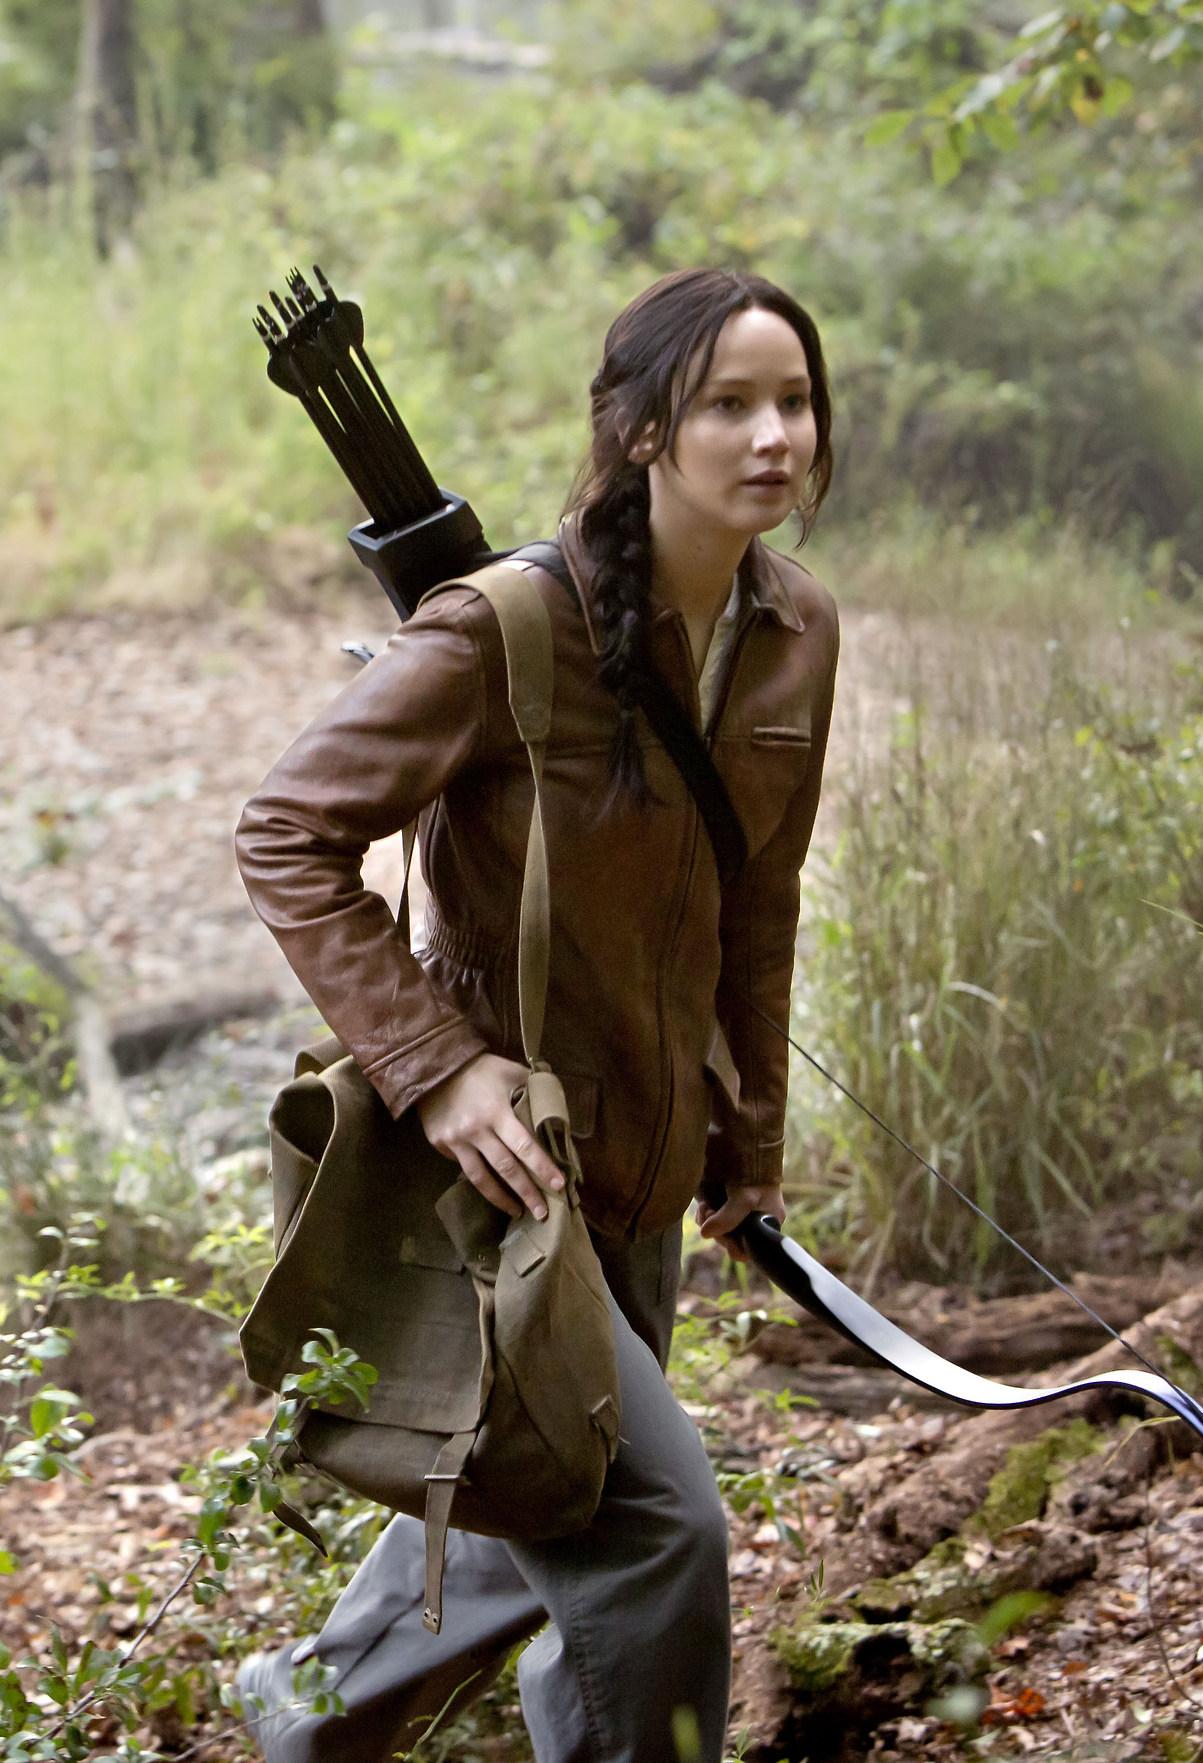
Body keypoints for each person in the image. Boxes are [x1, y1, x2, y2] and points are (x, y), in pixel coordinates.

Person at [232, 265, 839, 1763]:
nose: (774, 435)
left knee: (547, 1485)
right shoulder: (507, 626)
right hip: (498, 1174)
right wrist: (440, 1071)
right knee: (655, 1530)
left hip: (643, 1169)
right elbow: (287, 832)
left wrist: (750, 1132)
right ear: (641, 431)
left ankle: (303, 1721)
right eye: (729, 404)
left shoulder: (796, 628)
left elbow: (760, 901)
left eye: (795, 401)